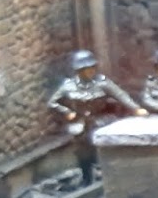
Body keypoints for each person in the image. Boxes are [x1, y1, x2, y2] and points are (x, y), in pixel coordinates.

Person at [48, 49, 147, 186]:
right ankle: (87, 178)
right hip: (80, 122)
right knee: (82, 152)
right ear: (79, 70)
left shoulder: (102, 83)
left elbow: (121, 95)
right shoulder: (68, 86)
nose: (91, 71)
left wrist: (136, 108)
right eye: (86, 69)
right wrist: (67, 112)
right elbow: (53, 103)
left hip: (100, 119)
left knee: (105, 146)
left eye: (92, 67)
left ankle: (110, 176)